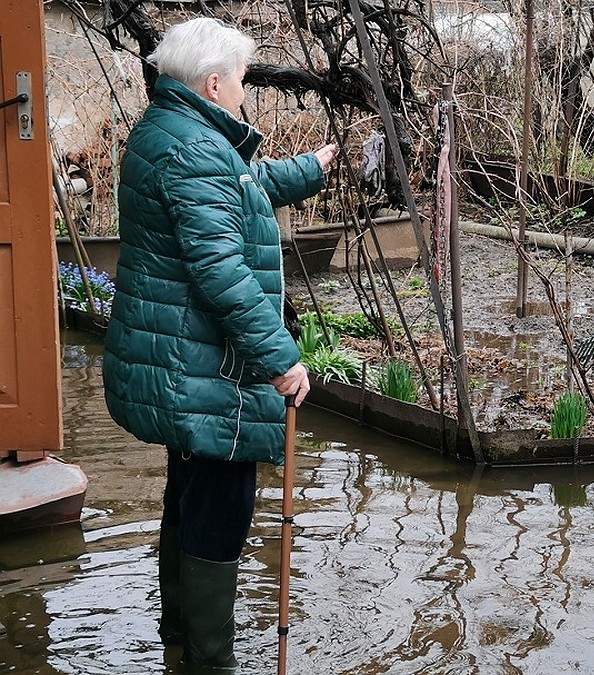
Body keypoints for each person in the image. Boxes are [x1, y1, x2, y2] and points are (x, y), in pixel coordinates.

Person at [102, 17, 336, 673]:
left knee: (188, 493)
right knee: (218, 508)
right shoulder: (198, 149)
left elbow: (236, 190)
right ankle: (209, 661)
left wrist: (306, 171)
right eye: (240, 79)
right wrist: (281, 358)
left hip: (178, 362)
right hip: (207, 368)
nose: (244, 91)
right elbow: (221, 270)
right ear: (212, 83)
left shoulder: (168, 131)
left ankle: (180, 641)